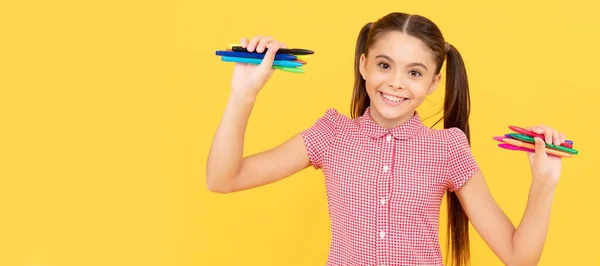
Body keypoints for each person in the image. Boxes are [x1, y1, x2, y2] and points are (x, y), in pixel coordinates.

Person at [206, 12, 566, 266]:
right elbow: (223, 179)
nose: (396, 82)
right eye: (384, 65)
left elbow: (520, 258)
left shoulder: (447, 148)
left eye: (414, 72)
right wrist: (243, 93)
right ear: (363, 65)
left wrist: (544, 182)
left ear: (434, 83)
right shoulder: (332, 134)